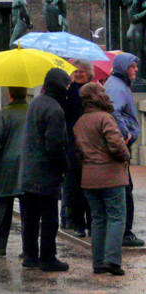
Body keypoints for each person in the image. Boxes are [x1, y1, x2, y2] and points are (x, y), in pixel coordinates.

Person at [74, 80, 130, 275]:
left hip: (89, 178)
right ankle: (113, 260)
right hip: (111, 177)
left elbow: (79, 153)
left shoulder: (80, 122)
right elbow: (117, 146)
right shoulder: (105, 118)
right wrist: (126, 155)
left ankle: (98, 263)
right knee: (116, 217)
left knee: (97, 219)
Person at [19, 67, 70, 271]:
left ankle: (30, 256)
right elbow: (54, 145)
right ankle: (48, 257)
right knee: (49, 218)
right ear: (59, 86)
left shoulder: (36, 102)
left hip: (28, 171)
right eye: (66, 85)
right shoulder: (55, 109)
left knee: (29, 218)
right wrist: (64, 167)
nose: (68, 89)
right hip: (45, 174)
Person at [103, 52, 145, 247]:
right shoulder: (118, 88)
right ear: (123, 68)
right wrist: (126, 133)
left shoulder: (116, 84)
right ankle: (125, 233)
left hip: (118, 144)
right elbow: (114, 112)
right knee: (125, 189)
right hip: (120, 145)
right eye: (132, 66)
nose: (136, 69)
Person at [0, 86, 28, 256]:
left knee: (3, 206)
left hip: (6, 167)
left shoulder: (3, 114)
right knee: (27, 210)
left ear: (9, 94)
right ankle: (28, 248)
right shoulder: (32, 112)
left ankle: (0, 245)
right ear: (26, 93)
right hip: (28, 167)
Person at [61, 61, 93, 237]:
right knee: (76, 187)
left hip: (89, 144)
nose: (79, 74)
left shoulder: (94, 91)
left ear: (89, 73)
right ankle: (78, 224)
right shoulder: (70, 91)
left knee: (90, 187)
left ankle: (91, 223)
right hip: (73, 145)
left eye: (83, 71)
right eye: (77, 71)